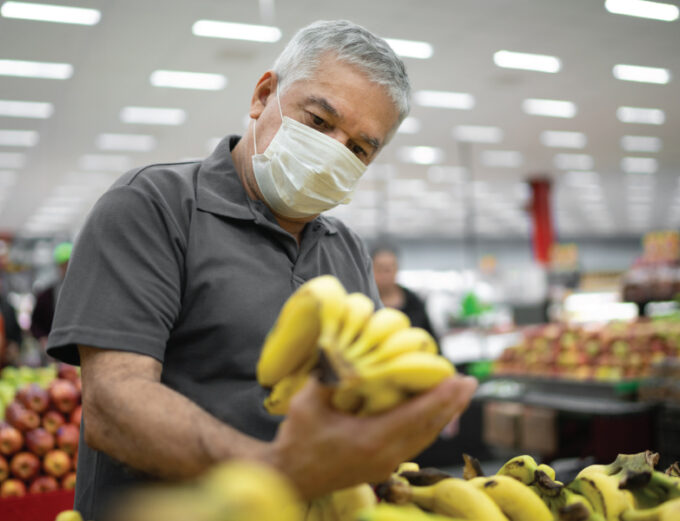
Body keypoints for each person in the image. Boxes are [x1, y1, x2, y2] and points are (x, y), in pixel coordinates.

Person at [46, 20, 477, 520]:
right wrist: (275, 471)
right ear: (263, 95)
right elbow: (114, 405)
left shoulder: (347, 251)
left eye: (359, 148)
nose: (332, 153)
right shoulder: (152, 207)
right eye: (318, 122)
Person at [371, 245, 438, 339]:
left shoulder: (414, 303)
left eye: (389, 269)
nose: (385, 275)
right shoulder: (364, 304)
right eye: (380, 269)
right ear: (370, 270)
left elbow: (430, 338)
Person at [30, 242, 72, 345]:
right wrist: (42, 338)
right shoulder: (46, 296)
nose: (67, 268)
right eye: (64, 265)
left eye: (69, 264)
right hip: (54, 348)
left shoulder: (84, 293)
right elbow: (35, 324)